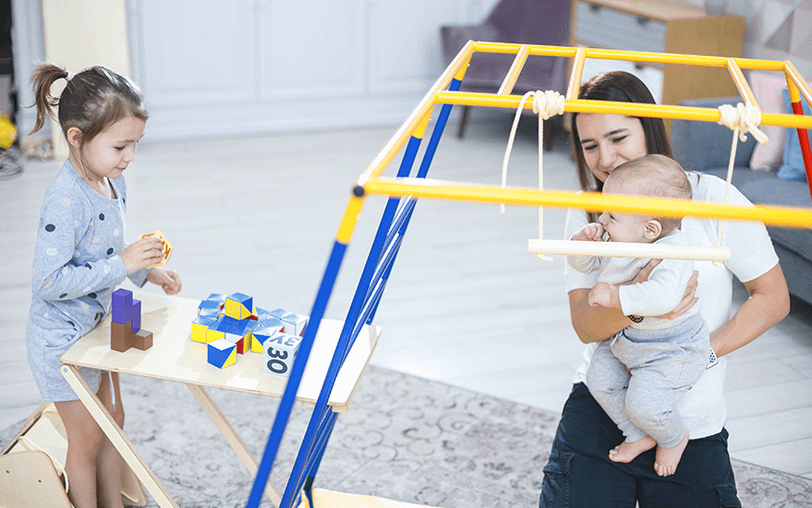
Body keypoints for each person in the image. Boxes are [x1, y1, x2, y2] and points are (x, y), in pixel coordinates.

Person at [539, 71, 790, 507]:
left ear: (649, 128)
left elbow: (773, 298)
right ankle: (632, 435)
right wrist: (640, 303)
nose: (605, 158)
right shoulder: (591, 212)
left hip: (687, 411)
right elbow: (585, 325)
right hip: (607, 401)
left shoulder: (714, 198)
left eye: (618, 137)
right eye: (590, 145)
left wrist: (696, 358)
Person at [26, 64, 182, 508]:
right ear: (76, 137)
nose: (130, 156)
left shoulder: (114, 181)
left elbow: (109, 252)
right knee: (88, 438)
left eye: (135, 143)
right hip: (60, 342)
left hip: (95, 327)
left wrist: (145, 270)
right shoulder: (65, 200)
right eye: (120, 146)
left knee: (113, 419)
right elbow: (48, 281)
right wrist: (123, 263)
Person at [568, 155, 710, 477]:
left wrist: (615, 296)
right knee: (598, 380)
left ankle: (673, 437)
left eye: (612, 215)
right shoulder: (618, 236)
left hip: (671, 348)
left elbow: (664, 298)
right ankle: (637, 434)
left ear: (650, 229)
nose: (602, 219)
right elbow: (586, 265)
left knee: (643, 405)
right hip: (627, 340)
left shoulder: (672, 251)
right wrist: (581, 246)